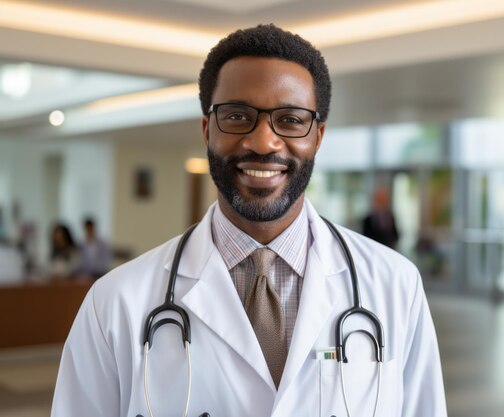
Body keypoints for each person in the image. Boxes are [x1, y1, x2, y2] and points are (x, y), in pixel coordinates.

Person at [52, 24, 446, 417]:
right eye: (238, 116)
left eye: (290, 120)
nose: (262, 142)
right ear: (207, 130)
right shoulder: (116, 303)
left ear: (318, 136)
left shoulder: (396, 286)